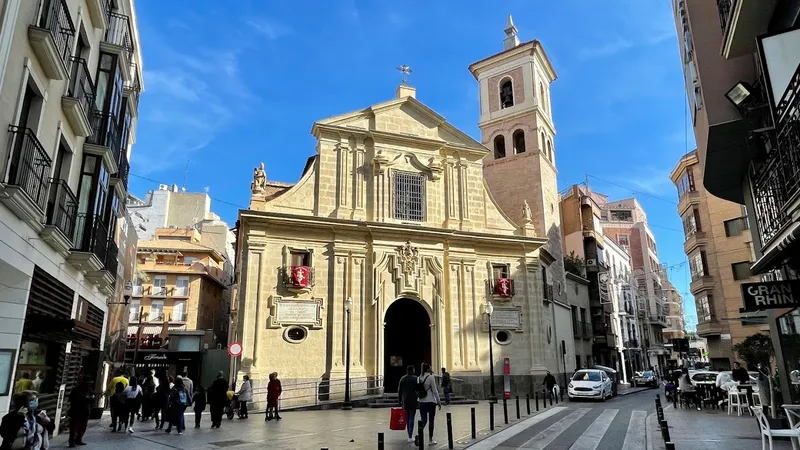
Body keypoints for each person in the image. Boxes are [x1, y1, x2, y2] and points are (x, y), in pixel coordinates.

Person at [416, 364, 441, 446]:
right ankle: (430, 439)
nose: (431, 369)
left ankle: (419, 434)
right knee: (431, 420)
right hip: (430, 401)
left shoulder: (419, 378)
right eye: (430, 368)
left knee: (424, 420)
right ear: (427, 369)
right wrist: (439, 401)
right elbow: (435, 390)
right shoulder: (431, 377)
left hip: (421, 401)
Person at [68, 377, 94, 448]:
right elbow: (72, 399)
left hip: (84, 411)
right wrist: (87, 399)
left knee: (82, 426)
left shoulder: (89, 390)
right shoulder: (77, 390)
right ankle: (72, 441)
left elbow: (92, 398)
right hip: (76, 410)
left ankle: (78, 439)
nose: (89, 385)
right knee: (74, 427)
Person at [397, 365, 418, 443]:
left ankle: (409, 435)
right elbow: (419, 389)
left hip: (405, 400)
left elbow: (399, 391)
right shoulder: (416, 379)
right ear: (412, 370)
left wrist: (399, 400)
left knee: (407, 418)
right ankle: (410, 435)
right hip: (413, 400)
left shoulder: (402, 379)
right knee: (411, 418)